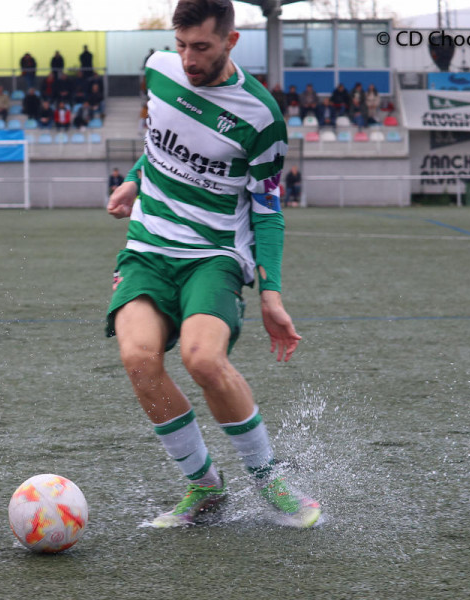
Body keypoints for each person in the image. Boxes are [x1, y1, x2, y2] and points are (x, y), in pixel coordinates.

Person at [105, 0, 320, 531]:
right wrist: (135, 178)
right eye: (181, 46)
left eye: (201, 47)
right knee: (137, 357)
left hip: (214, 255)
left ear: (230, 41)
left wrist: (271, 293)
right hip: (149, 245)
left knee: (203, 359)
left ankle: (269, 480)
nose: (189, 59)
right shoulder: (159, 69)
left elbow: (268, 213)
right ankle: (204, 487)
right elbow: (161, 140)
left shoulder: (261, 117)